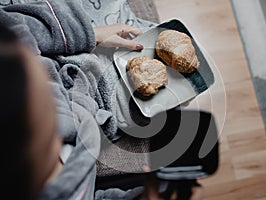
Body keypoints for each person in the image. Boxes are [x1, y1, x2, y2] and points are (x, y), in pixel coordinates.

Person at [0, 1, 204, 199]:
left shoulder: (17, 69)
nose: (40, 64)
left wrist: (90, 33)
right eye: (43, 87)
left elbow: (15, 27)